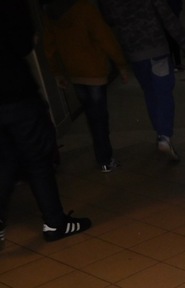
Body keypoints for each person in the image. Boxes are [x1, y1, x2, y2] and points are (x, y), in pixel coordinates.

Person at [1, 1, 92, 244]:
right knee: (37, 159)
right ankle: (55, 223)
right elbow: (22, 43)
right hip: (14, 93)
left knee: (5, 161)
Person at [41, 0, 129, 173]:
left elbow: (49, 46)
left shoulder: (50, 14)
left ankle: (102, 156)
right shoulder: (85, 9)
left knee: (91, 116)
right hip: (94, 70)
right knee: (100, 118)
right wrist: (121, 63)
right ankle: (105, 158)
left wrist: (57, 72)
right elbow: (105, 38)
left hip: (74, 72)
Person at [99, 0, 185, 162]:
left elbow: (109, 19)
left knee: (150, 93)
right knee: (163, 93)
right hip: (156, 47)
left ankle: (160, 133)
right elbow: (167, 17)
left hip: (134, 52)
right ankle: (164, 135)